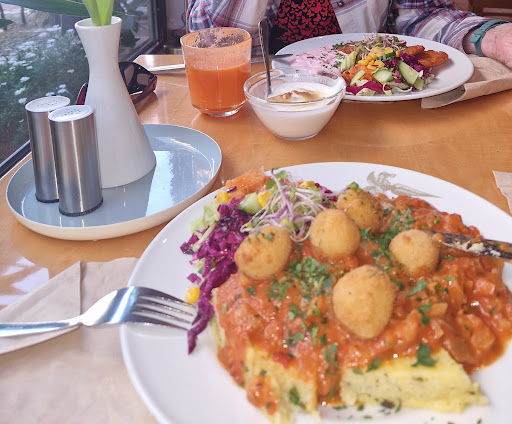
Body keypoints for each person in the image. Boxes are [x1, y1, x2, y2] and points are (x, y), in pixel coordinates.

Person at [186, 0, 512, 69]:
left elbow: (421, 14)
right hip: (264, 105)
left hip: (377, 103)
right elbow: (210, 42)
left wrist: (492, 38)